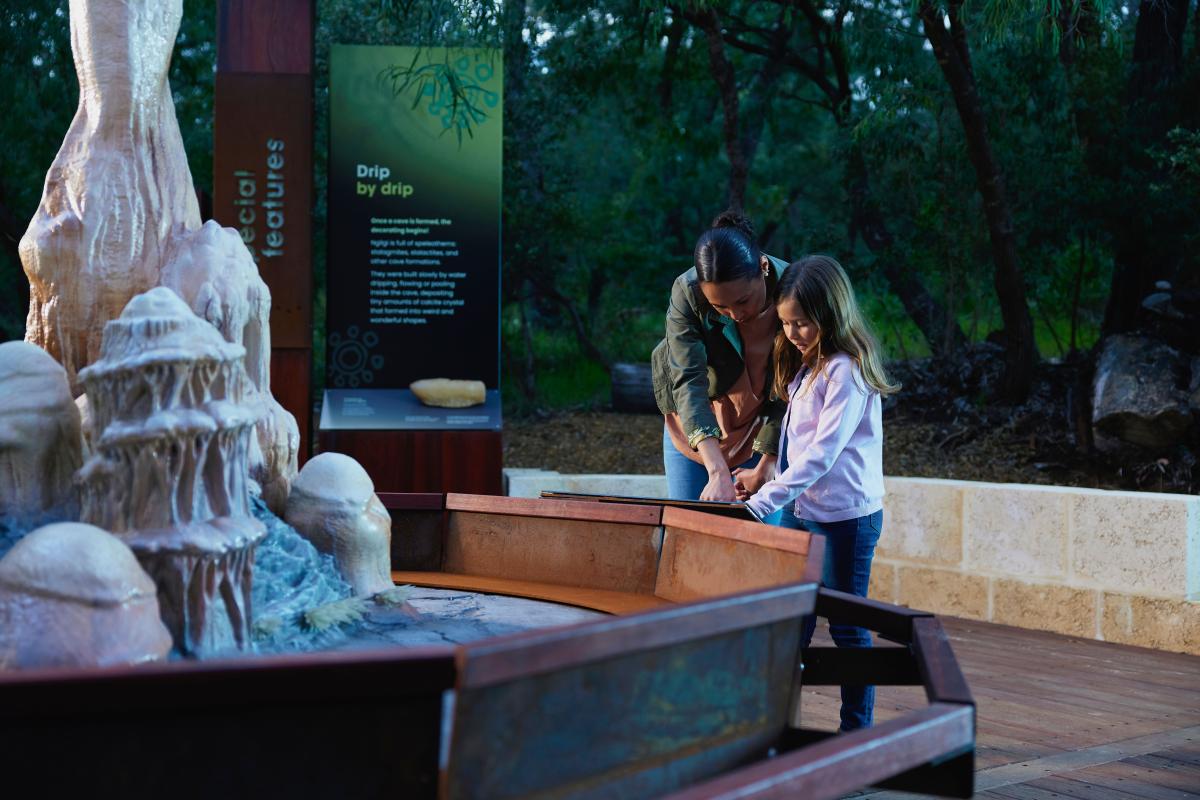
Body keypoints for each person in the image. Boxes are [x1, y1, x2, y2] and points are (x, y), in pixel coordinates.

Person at [738, 254, 900, 732]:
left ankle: (857, 732)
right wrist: (763, 474)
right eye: (786, 323)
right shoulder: (810, 367)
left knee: (848, 627)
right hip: (802, 509)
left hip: (846, 518)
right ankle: (776, 726)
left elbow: (821, 455)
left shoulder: (846, 372)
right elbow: (794, 443)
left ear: (831, 314)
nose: (793, 333)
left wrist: (761, 503)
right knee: (795, 621)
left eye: (803, 323)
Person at [651, 211, 788, 505]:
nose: (736, 315)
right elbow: (687, 379)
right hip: (695, 429)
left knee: (760, 538)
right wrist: (716, 471)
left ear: (763, 267)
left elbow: (795, 386)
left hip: (762, 432)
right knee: (687, 534)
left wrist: (768, 464)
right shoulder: (686, 292)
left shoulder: (794, 289)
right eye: (720, 307)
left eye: (743, 301)